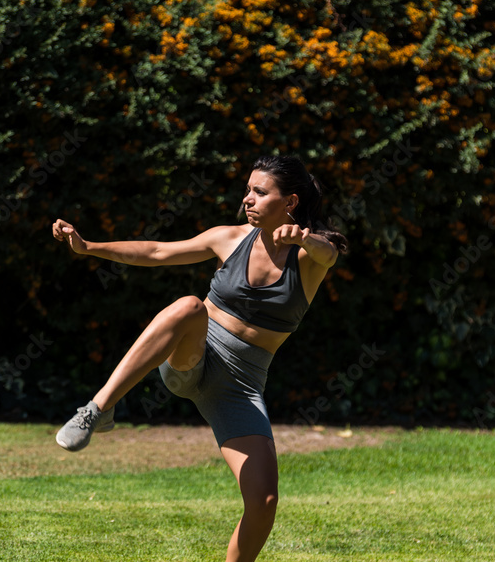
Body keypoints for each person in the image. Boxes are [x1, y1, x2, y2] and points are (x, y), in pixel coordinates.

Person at [51, 154, 348, 562]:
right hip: (194, 356)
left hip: (239, 385)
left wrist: (302, 239)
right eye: (247, 190)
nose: (247, 199)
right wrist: (88, 248)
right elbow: (155, 251)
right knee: (190, 306)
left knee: (263, 502)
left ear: (290, 202)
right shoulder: (230, 238)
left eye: (259, 192)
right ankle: (98, 409)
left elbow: (328, 254)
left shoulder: (307, 258)